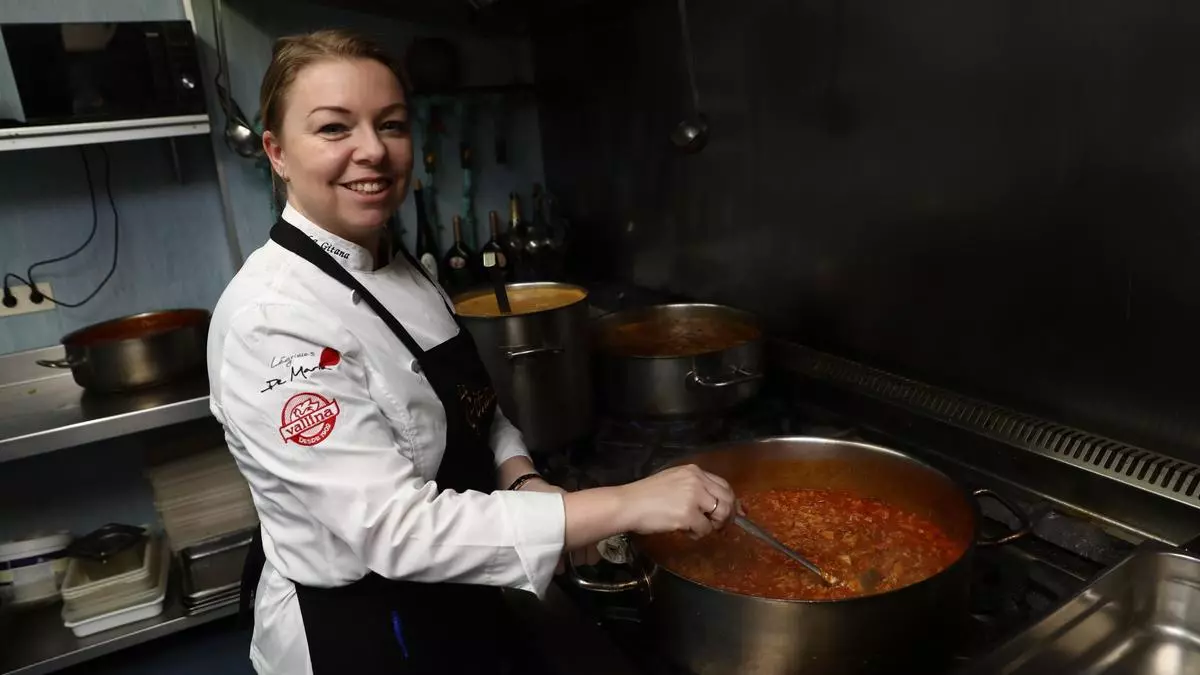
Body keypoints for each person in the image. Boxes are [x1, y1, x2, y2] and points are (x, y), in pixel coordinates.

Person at [205, 29, 737, 675]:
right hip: (362, 626)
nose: (372, 150)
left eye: (391, 124)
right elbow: (393, 530)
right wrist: (624, 503)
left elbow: (476, 411)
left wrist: (524, 479)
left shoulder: (400, 266)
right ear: (277, 152)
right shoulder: (272, 322)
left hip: (459, 593)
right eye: (334, 128)